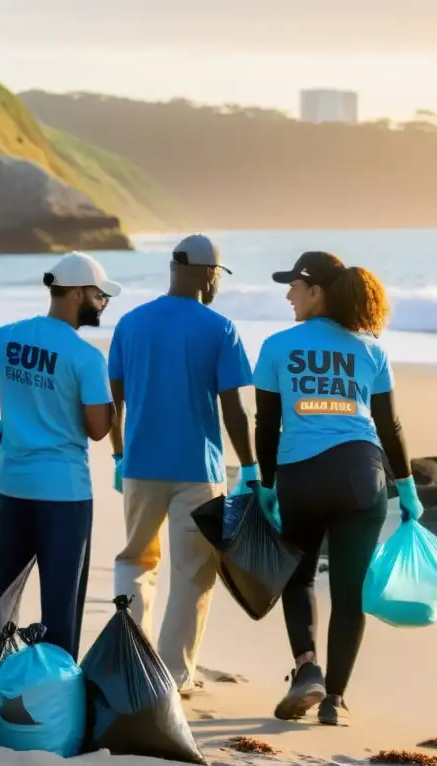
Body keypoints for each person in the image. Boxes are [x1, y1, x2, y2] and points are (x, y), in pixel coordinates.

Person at [251, 251, 424, 726]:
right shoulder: (371, 349)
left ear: (315, 291)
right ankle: (335, 701)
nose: (287, 294)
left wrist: (266, 485)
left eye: (293, 286)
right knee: (349, 592)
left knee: (299, 577)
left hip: (302, 476)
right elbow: (390, 426)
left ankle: (308, 670)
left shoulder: (276, 345)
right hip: (361, 474)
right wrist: (407, 490)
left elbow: (267, 425)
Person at [0, 251, 119, 660]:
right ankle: (51, 706)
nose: (103, 304)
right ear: (77, 292)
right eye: (98, 295)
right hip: (64, 494)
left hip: (12, 485)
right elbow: (98, 430)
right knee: (61, 605)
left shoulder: (8, 335)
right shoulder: (86, 357)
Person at [108, 233, 257, 695]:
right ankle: (172, 677)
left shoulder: (130, 324)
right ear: (208, 274)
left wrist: (118, 454)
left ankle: (130, 662)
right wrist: (249, 467)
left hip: (140, 465)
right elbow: (232, 407)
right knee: (193, 574)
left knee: (135, 560)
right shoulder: (219, 328)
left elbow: (114, 400)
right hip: (199, 470)